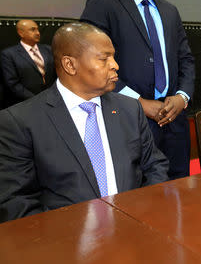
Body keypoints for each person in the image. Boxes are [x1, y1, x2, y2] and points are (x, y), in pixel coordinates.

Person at [0, 22, 169, 223]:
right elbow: (16, 202)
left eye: (113, 57)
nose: (115, 65)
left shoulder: (130, 109)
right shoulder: (20, 121)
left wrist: (142, 213)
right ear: (70, 65)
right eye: (104, 58)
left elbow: (155, 166)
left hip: (134, 230)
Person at [80, 0, 195, 180]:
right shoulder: (103, 3)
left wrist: (182, 97)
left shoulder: (170, 11)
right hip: (126, 119)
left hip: (174, 120)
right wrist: (138, 102)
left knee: (179, 194)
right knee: (136, 196)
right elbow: (93, 62)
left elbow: (186, 60)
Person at [0, 19, 56, 106]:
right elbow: (12, 83)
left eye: (38, 29)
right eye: (33, 30)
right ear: (21, 33)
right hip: (24, 103)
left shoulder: (48, 49)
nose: (37, 33)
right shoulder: (9, 54)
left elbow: (56, 74)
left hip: (50, 100)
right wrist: (35, 99)